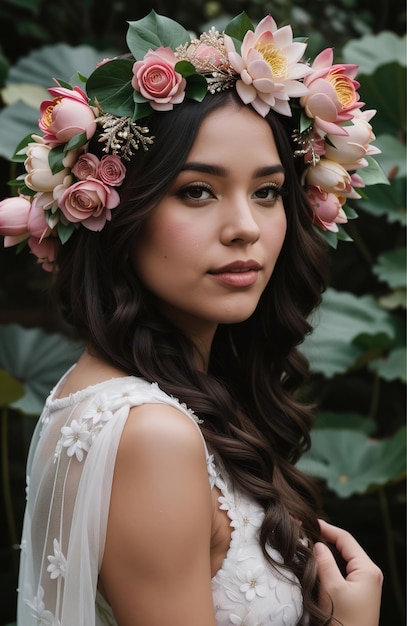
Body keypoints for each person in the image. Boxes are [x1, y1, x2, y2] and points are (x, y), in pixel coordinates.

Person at [0, 11, 383, 626]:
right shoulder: (153, 435)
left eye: (266, 192)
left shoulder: (99, 394)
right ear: (119, 214)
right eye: (197, 192)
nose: (245, 229)